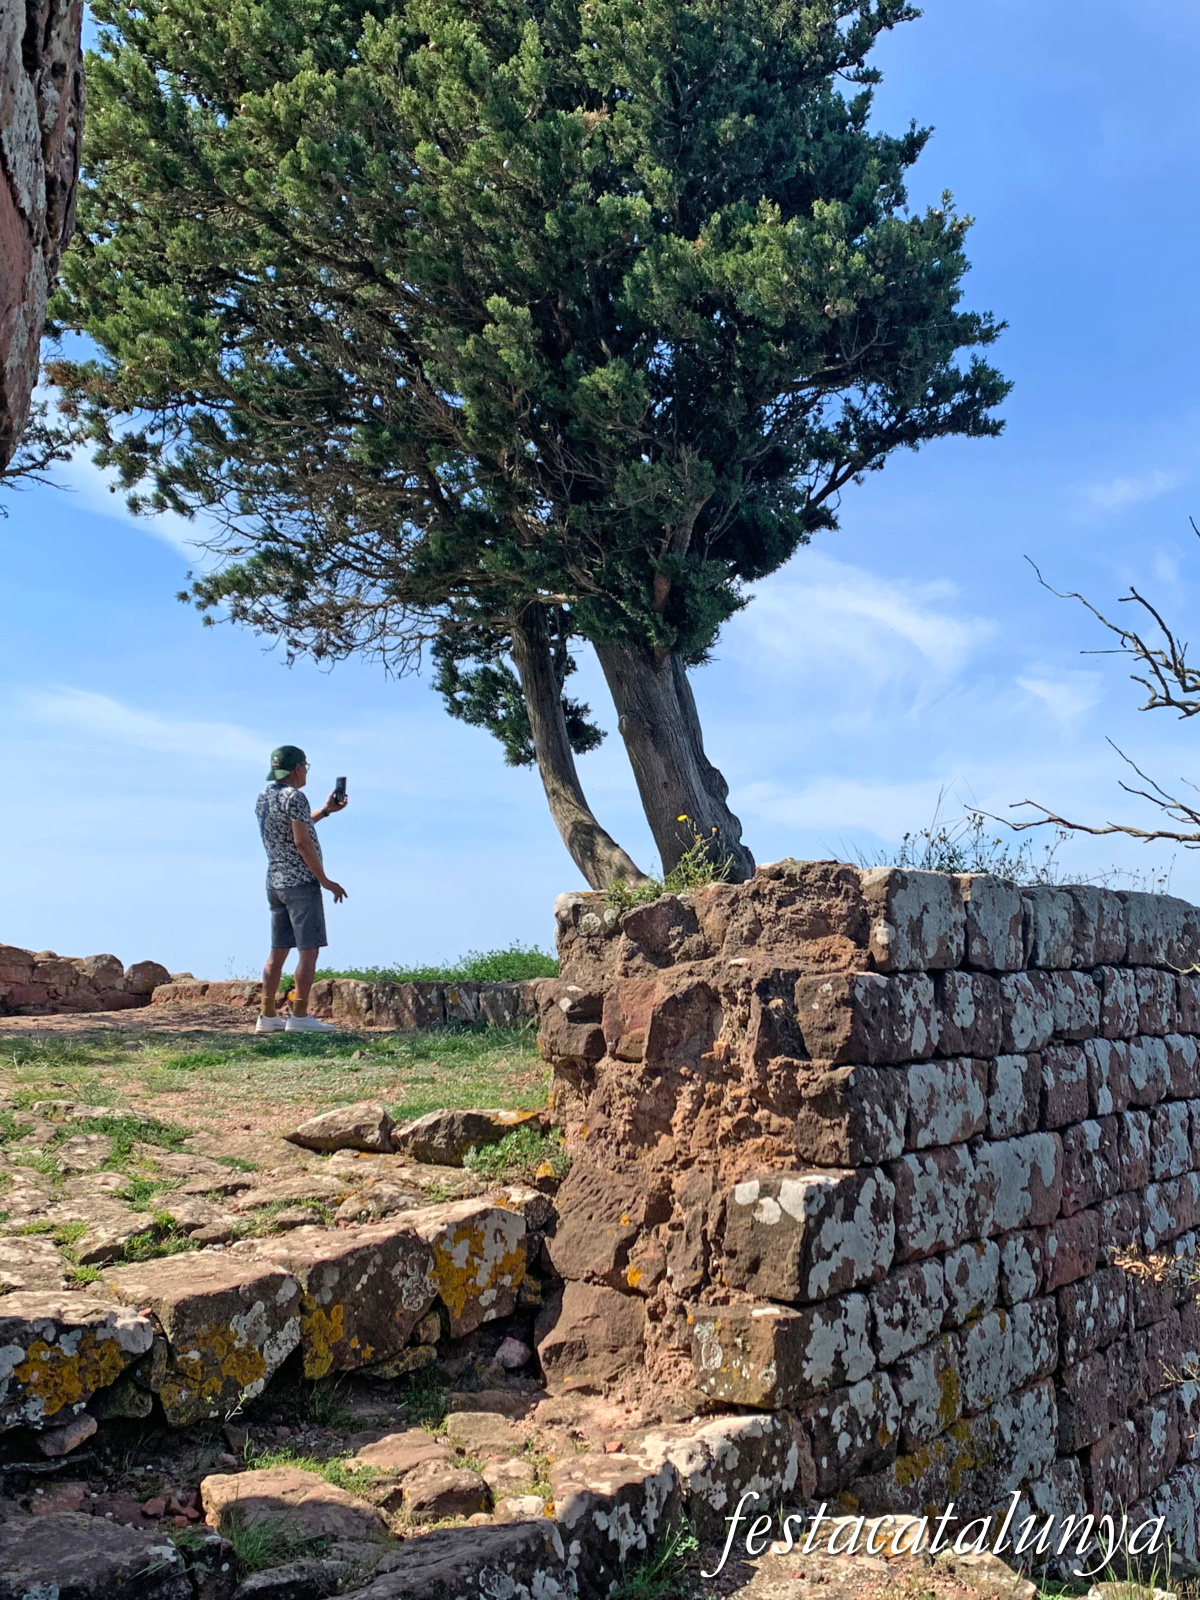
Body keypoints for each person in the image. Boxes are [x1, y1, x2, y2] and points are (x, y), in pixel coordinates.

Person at [254, 744, 348, 1034]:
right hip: (300, 884)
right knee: (308, 951)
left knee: (278, 951)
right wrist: (324, 880)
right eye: (305, 766)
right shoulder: (295, 797)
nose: (306, 771)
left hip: (275, 882)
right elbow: (301, 842)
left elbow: (293, 827)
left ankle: (268, 1014)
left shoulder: (264, 797)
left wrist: (325, 811)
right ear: (297, 769)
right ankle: (299, 1015)